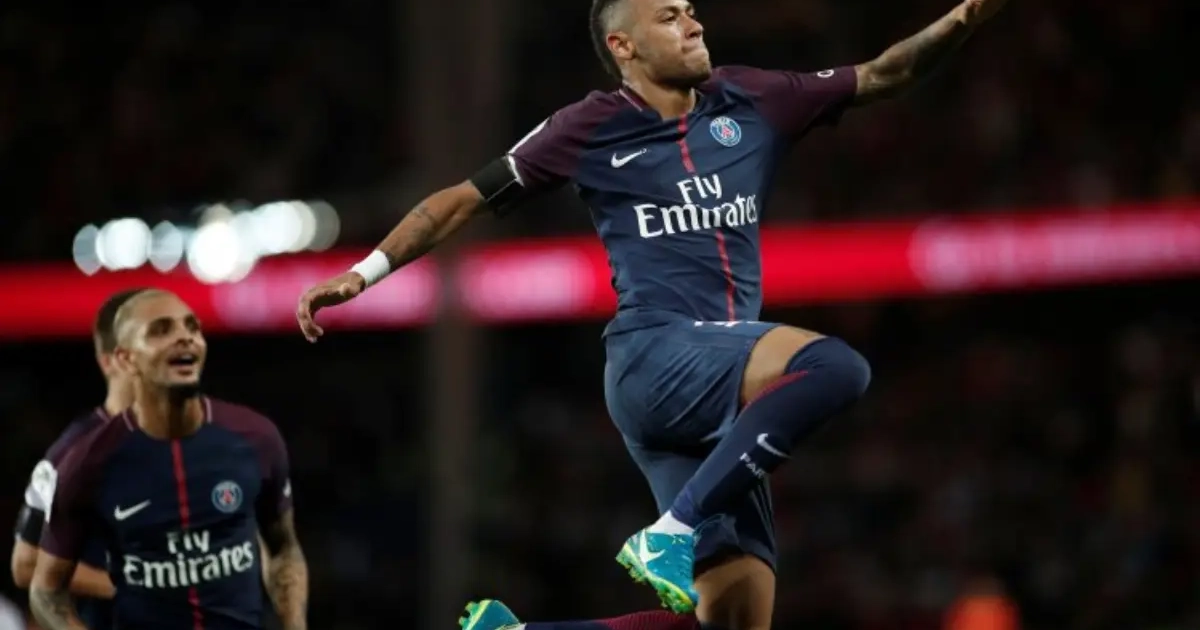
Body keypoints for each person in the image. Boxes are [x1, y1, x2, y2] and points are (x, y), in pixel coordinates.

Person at [296, 0, 1008, 627]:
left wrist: (967, 15)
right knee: (835, 366)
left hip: (716, 392)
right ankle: (674, 528)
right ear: (623, 47)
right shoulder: (589, 125)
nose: (693, 23)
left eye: (691, 10)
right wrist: (363, 272)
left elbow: (883, 73)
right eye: (668, 16)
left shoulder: (753, 98)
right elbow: (460, 200)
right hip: (654, 356)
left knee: (733, 617)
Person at [29, 290, 309, 630]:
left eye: (192, 327)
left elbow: (283, 550)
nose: (184, 337)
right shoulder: (87, 463)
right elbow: (46, 591)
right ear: (125, 359)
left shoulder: (256, 438)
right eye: (161, 330)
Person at [11, 288, 147, 630]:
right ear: (110, 360)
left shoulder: (197, 440)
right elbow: (26, 564)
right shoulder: (75, 452)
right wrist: (124, 586)